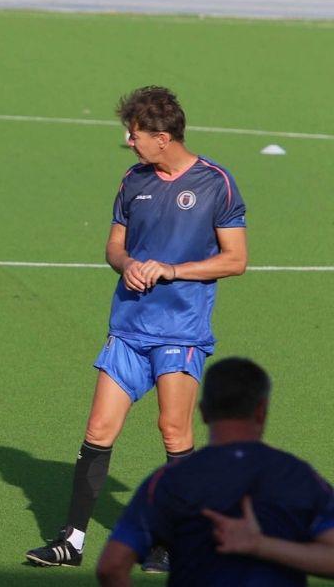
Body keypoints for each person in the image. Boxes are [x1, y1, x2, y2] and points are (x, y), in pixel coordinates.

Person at [25, 86, 248, 571]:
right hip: (128, 328)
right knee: (98, 430)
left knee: (173, 432)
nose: (129, 141)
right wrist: (127, 263)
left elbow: (235, 260)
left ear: (163, 138)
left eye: (137, 134)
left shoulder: (217, 183)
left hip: (180, 333)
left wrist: (170, 270)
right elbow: (113, 247)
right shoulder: (133, 181)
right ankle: (71, 541)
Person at [97, 357, 334, 586]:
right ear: (261, 411)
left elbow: (111, 567)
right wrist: (261, 545)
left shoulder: (169, 481)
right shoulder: (297, 476)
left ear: (203, 411)